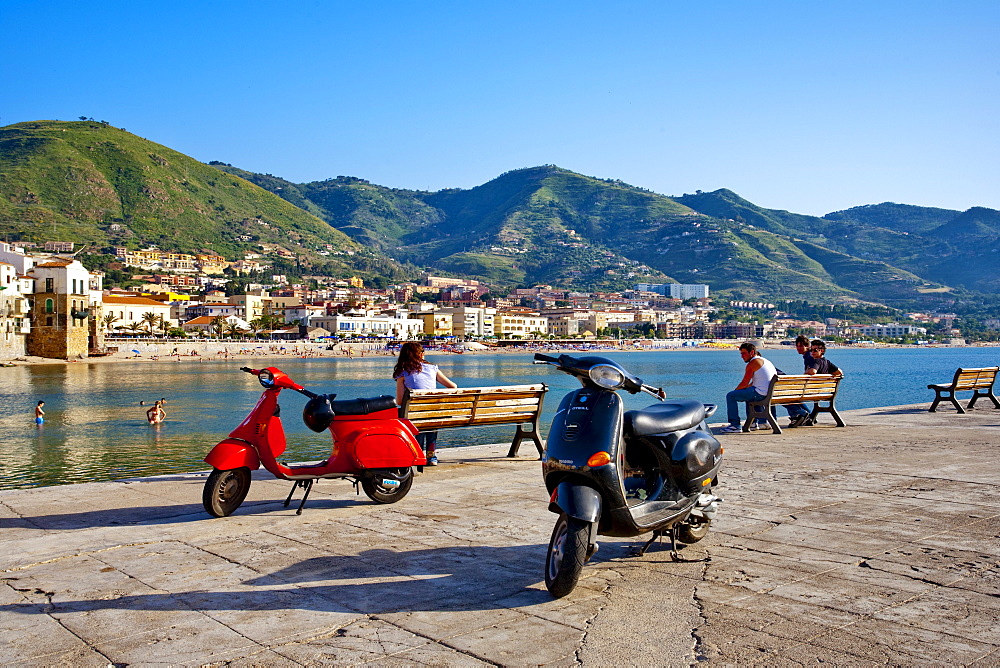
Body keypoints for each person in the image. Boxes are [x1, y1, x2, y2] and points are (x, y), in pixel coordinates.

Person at [393, 342, 457, 465]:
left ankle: (419, 454)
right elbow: (453, 386)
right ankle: (431, 456)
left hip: (415, 413)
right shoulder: (432, 368)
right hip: (432, 411)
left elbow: (400, 401)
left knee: (417, 421)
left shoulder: (403, 372)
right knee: (430, 421)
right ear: (421, 354)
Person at [719, 342, 778, 433]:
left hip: (761, 393)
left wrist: (735, 392)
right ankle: (753, 423)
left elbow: (744, 383)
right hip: (769, 393)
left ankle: (735, 425)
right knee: (748, 393)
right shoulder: (765, 361)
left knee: (730, 396)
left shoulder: (753, 363)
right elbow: (754, 383)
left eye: (744, 353)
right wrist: (742, 391)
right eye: (741, 354)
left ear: (752, 352)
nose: (742, 356)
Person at [784, 335, 815, 427]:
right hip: (817, 388)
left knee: (786, 394)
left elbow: (812, 371)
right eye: (797, 346)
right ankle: (810, 416)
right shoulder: (809, 356)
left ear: (808, 346)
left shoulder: (809, 356)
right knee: (792, 393)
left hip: (810, 388)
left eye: (801, 346)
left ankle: (798, 415)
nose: (798, 348)